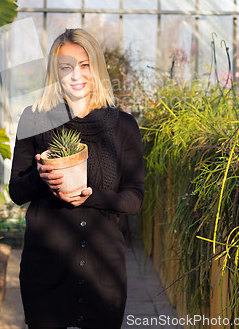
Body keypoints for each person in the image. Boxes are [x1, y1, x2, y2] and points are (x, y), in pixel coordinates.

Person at [9, 28, 145, 329]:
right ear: (54, 72)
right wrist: (39, 177)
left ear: (96, 67)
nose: (76, 75)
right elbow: (16, 191)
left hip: (103, 271)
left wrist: (92, 195)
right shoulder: (34, 118)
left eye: (84, 65)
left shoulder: (123, 125)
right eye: (66, 67)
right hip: (45, 268)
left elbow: (134, 198)